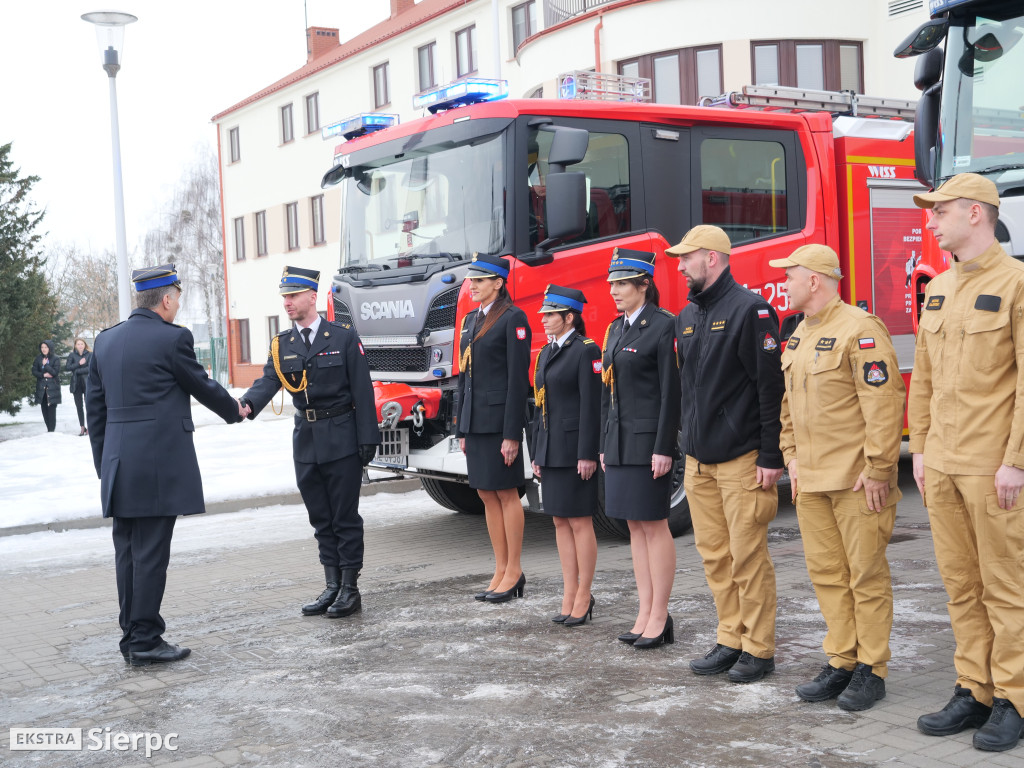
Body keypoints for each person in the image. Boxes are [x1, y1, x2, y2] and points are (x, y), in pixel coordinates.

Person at [908, 173, 1024, 752]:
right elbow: (924, 379)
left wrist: (1016, 461)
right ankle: (974, 689)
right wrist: (921, 450)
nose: (931, 222)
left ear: (975, 213)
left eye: (941, 211)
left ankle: (1014, 698)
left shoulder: (1016, 284)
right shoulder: (939, 287)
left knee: (1005, 586)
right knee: (961, 585)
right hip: (944, 465)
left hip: (992, 467)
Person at [87, 264, 246, 666]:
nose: (177, 306)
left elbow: (95, 411)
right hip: (157, 466)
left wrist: (105, 466)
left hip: (119, 465)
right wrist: (235, 409)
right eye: (177, 298)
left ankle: (132, 636)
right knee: (151, 555)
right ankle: (145, 640)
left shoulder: (105, 341)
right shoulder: (172, 338)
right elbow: (201, 385)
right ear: (167, 300)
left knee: (128, 553)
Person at [772, 244, 905, 711]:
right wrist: (790, 456)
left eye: (789, 276)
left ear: (814, 280)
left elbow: (883, 403)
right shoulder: (798, 333)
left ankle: (872, 668)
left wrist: (879, 468)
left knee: (865, 575)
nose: (783, 284)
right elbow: (788, 405)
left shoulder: (860, 329)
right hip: (810, 481)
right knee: (828, 575)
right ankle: (842, 660)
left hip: (856, 482)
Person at [668, 225, 785, 682]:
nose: (680, 266)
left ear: (712, 258)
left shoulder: (750, 310)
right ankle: (730, 638)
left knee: (747, 557)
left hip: (741, 460)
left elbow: (770, 389)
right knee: (715, 557)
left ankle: (759, 648)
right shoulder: (686, 316)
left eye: (687, 258)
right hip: (698, 462)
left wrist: (771, 456)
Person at [241, 267, 381, 619]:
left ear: (311, 297)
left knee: (344, 517)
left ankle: (350, 588)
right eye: (284, 297)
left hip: (342, 438)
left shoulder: (343, 337)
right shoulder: (282, 344)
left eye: (293, 296)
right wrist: (246, 405)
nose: (287, 302)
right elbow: (268, 381)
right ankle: (332, 585)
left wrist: (368, 438)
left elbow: (363, 391)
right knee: (320, 517)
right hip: (306, 441)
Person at [599, 248, 680, 648]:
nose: (614, 291)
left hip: (649, 445)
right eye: (612, 284)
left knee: (653, 524)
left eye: (622, 284)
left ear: (644, 285)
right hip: (619, 443)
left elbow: (671, 393)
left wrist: (664, 447)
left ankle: (660, 614)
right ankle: (644, 610)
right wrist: (604, 443)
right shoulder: (616, 329)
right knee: (633, 526)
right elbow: (607, 392)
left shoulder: (663, 326)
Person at [456, 254, 532, 604]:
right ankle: (500, 568)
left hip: (500, 423)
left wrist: (512, 433)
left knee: (506, 493)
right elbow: (464, 378)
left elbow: (518, 380)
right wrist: (461, 427)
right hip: (475, 421)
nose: (472, 286)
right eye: (472, 280)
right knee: (486, 493)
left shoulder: (513, 318)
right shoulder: (470, 320)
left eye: (480, 280)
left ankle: (514, 570)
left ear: (499, 283)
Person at [530, 285, 601, 626]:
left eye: (550, 315)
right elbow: (539, 405)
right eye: (544, 314)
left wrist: (587, 453)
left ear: (569, 317)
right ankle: (569, 590)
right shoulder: (547, 352)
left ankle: (584, 593)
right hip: (551, 448)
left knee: (579, 520)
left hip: (574, 450)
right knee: (559, 520)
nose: (544, 320)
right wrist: (536, 451)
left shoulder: (585, 350)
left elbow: (592, 405)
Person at [32, 340, 62, 432]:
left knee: (51, 410)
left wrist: (46, 365)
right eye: (42, 347)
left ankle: (51, 431)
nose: (43, 349)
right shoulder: (38, 358)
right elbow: (34, 371)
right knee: (44, 409)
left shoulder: (56, 358)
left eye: (45, 347)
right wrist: (43, 375)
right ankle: (49, 430)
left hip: (52, 388)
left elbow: (55, 372)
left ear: (50, 348)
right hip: (41, 388)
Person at [66, 337, 92, 436]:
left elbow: (90, 368)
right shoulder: (72, 355)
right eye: (78, 344)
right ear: (75, 346)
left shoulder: (90, 354)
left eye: (82, 344)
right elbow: (68, 367)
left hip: (87, 383)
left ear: (85, 345)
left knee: (88, 405)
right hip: (76, 383)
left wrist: (76, 371)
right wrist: (78, 363)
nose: (80, 346)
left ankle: (90, 427)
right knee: (79, 406)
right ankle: (82, 427)